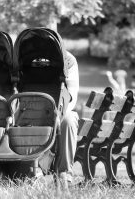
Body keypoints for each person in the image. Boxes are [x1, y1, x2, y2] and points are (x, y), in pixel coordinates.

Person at [56, 50, 79, 185]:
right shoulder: (25, 56)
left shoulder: (69, 60)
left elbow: (72, 97)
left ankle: (64, 172)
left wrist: (60, 114)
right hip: (32, 107)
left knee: (68, 120)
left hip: (63, 109)